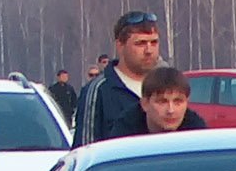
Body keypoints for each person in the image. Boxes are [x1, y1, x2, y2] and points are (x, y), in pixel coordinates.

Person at [76, 11, 165, 145]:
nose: (149, 51)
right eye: (140, 43)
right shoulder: (99, 91)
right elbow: (85, 151)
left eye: (154, 42)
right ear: (120, 45)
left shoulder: (168, 88)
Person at [115, 66, 207, 135]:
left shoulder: (197, 132)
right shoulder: (125, 131)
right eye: (162, 102)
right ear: (145, 104)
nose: (171, 110)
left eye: (178, 102)